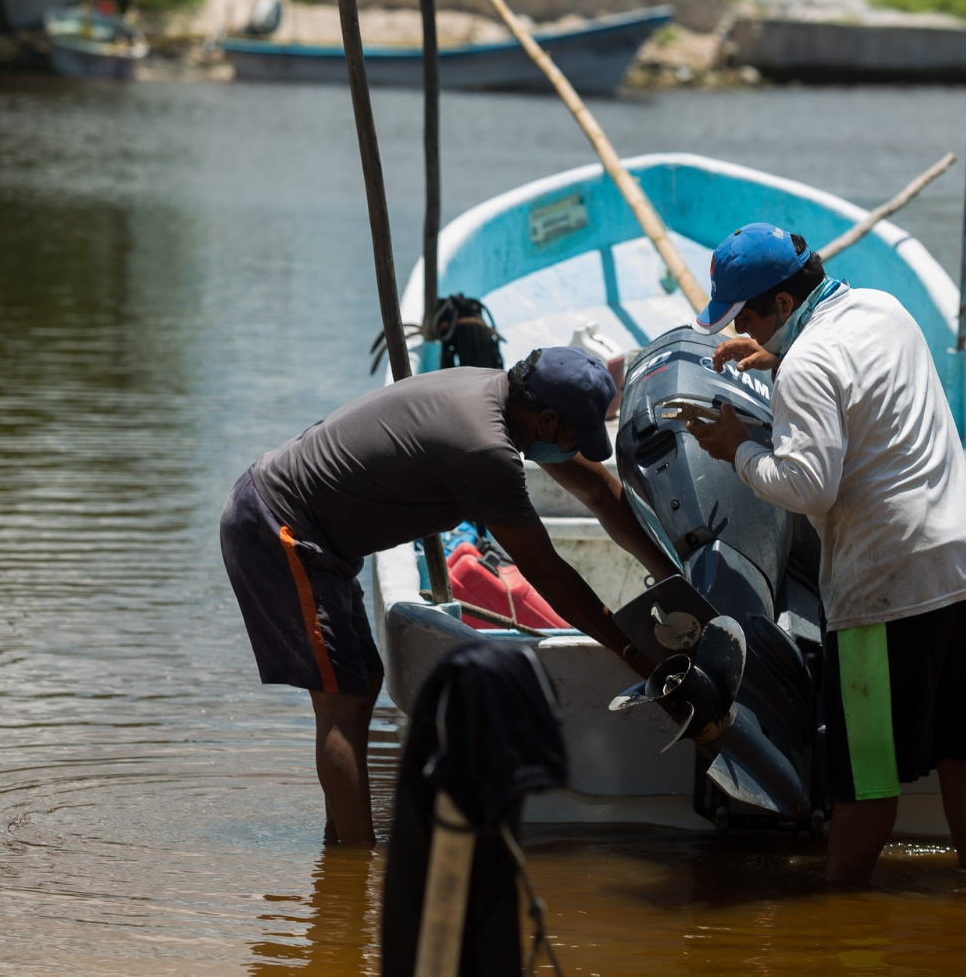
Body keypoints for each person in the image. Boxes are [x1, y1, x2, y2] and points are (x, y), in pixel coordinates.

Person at [219, 346, 678, 846]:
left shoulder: (503, 395)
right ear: (546, 420)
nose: (577, 448)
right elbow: (545, 570)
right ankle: (355, 872)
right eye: (575, 436)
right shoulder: (485, 450)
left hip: (311, 526)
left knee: (362, 682)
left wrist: (672, 573)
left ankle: (340, 858)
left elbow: (598, 492)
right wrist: (631, 650)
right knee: (342, 701)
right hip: (278, 527)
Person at [685, 223, 966, 885]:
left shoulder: (808, 364)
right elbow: (860, 390)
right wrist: (782, 365)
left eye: (749, 315)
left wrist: (738, 448)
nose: (745, 328)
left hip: (885, 586)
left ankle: (840, 922)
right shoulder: (884, 309)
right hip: (964, 567)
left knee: (863, 779)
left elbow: (809, 487)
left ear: (783, 305)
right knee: (965, 753)